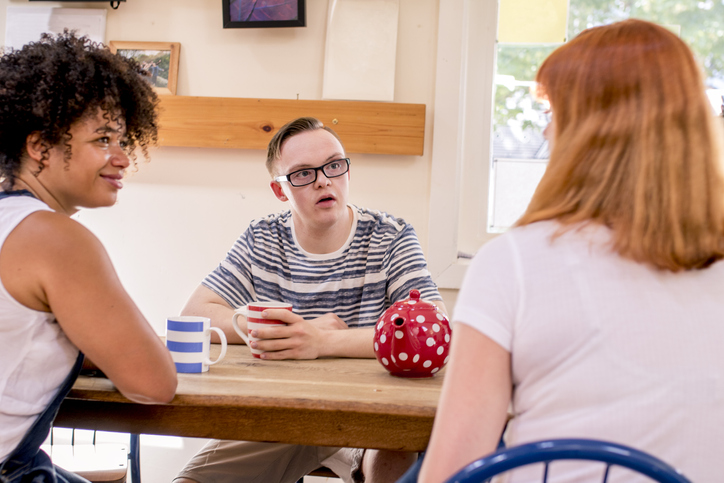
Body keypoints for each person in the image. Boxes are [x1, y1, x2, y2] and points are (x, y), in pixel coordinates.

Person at [401, 19, 724, 483]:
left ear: (588, 131)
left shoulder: (512, 263)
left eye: (553, 113)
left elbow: (451, 472)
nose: (547, 133)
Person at [174, 116, 446, 483]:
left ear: (348, 172)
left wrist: (322, 341)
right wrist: (280, 331)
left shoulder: (391, 236)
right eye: (303, 173)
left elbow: (434, 329)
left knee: (394, 461)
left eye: (334, 165)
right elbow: (195, 314)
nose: (323, 180)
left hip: (372, 412)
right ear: (279, 190)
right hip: (281, 411)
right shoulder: (262, 236)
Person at [0, 32, 177, 482]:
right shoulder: (55, 238)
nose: (122, 158)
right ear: (40, 147)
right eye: (103, 139)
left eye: (122, 139)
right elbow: (153, 384)